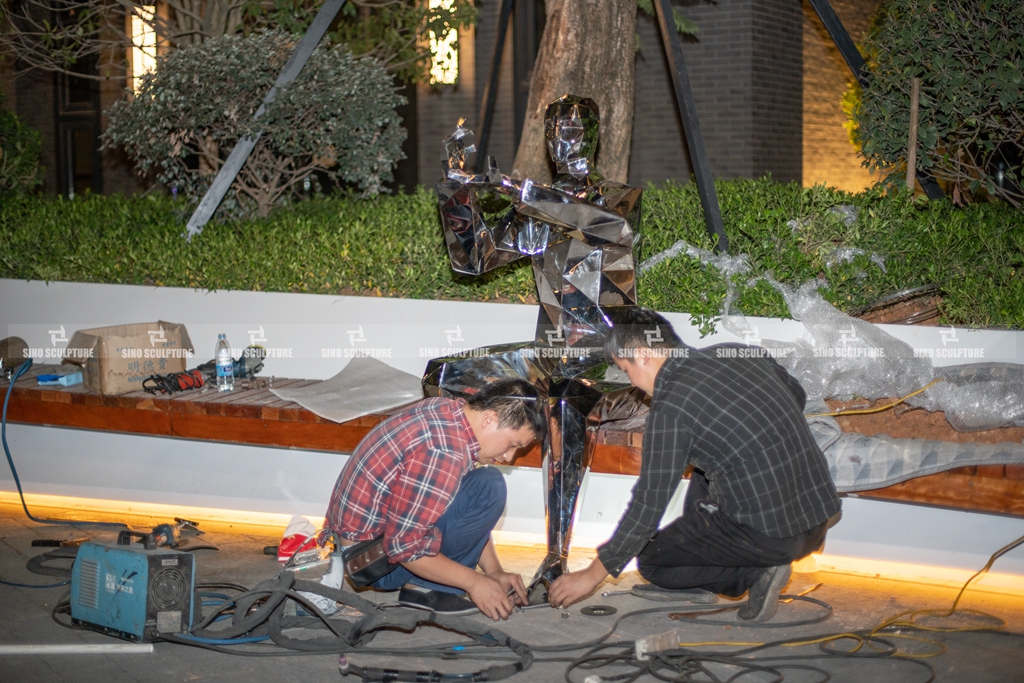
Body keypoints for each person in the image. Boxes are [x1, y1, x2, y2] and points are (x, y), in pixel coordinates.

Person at [548, 308, 842, 622]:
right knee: (704, 466)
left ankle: (755, 574)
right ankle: (738, 546)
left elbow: (649, 503)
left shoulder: (671, 406)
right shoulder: (736, 354)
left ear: (642, 355)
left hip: (771, 539)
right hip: (818, 515)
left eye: (625, 368)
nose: (630, 382)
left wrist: (592, 574)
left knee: (652, 561)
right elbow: (795, 394)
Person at [324, 377, 544, 620]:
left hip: (368, 546)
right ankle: (425, 590)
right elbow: (403, 547)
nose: (509, 457)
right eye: (512, 444)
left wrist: (494, 572)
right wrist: (474, 582)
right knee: (490, 486)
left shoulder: (448, 412)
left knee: (482, 485)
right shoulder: (443, 452)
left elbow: (459, 510)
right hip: (373, 564)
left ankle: (427, 583)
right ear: (489, 418)